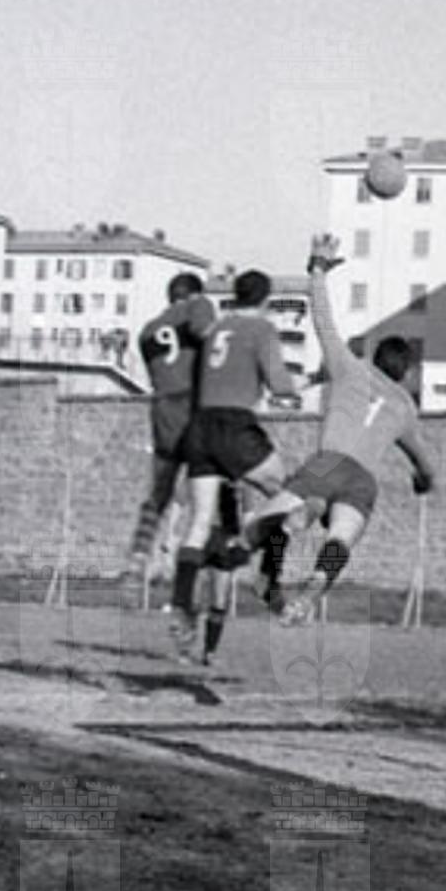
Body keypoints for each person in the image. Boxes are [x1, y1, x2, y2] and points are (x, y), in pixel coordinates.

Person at [239, 235, 437, 628]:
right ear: (406, 372)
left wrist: (317, 270)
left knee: (258, 529)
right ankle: (309, 595)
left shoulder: (350, 367)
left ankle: (303, 514)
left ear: (375, 358)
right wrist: (423, 482)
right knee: (342, 538)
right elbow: (424, 463)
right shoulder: (404, 407)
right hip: (362, 480)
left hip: (328, 464)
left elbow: (323, 320)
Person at [166, 269, 301, 663]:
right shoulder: (261, 329)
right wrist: (310, 379)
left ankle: (180, 604)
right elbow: (280, 385)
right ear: (266, 300)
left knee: (198, 521)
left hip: (200, 426)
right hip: (234, 426)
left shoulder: (216, 329)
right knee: (294, 496)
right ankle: (266, 577)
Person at [113, 273, 219, 598]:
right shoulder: (199, 305)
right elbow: (208, 336)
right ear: (194, 294)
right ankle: (197, 578)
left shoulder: (147, 331)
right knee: (210, 495)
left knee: (160, 492)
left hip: (162, 409)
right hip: (193, 404)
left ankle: (136, 561)